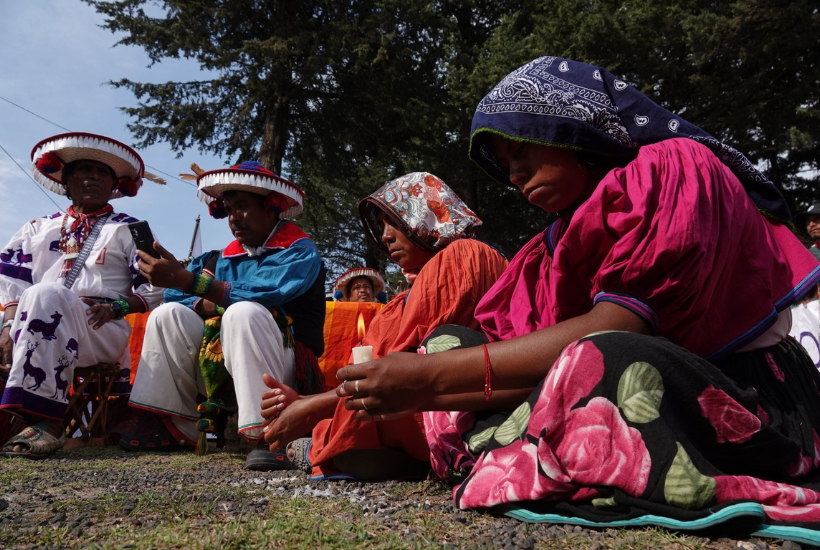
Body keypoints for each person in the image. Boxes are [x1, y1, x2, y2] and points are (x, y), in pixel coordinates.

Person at [334, 57, 820, 539]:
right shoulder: (557, 240)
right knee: (447, 342)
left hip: (729, 392)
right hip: (598, 379)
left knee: (607, 354)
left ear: (569, 126)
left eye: (520, 151)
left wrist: (428, 381)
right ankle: (553, 449)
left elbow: (617, 329)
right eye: (505, 167)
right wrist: (424, 389)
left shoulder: (671, 168)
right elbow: (536, 359)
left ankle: (536, 450)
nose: (515, 176)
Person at [261, 172, 508, 479]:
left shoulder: (463, 256)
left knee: (352, 427)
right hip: (414, 400)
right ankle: (346, 444)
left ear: (426, 213)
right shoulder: (410, 292)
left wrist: (311, 409)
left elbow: (407, 369)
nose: (386, 236)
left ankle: (322, 446)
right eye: (381, 227)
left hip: (454, 404)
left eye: (395, 221)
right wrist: (304, 402)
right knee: (352, 425)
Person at [120, 161, 327, 466]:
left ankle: (272, 432)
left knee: (244, 312)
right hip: (222, 361)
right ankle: (178, 426)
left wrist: (195, 284)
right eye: (229, 210)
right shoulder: (219, 258)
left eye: (242, 207)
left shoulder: (299, 252)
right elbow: (175, 293)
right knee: (168, 315)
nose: (233, 218)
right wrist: (194, 288)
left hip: (287, 371)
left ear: (272, 206)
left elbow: (265, 294)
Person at [0, 132, 164, 458]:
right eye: (84, 170)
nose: (93, 177)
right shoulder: (36, 228)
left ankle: (47, 422)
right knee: (41, 297)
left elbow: (155, 288)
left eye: (103, 172)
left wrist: (118, 307)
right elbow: (10, 282)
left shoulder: (131, 229)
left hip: (100, 325)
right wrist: (6, 328)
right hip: (28, 319)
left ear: (115, 184)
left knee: (47, 294)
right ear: (66, 180)